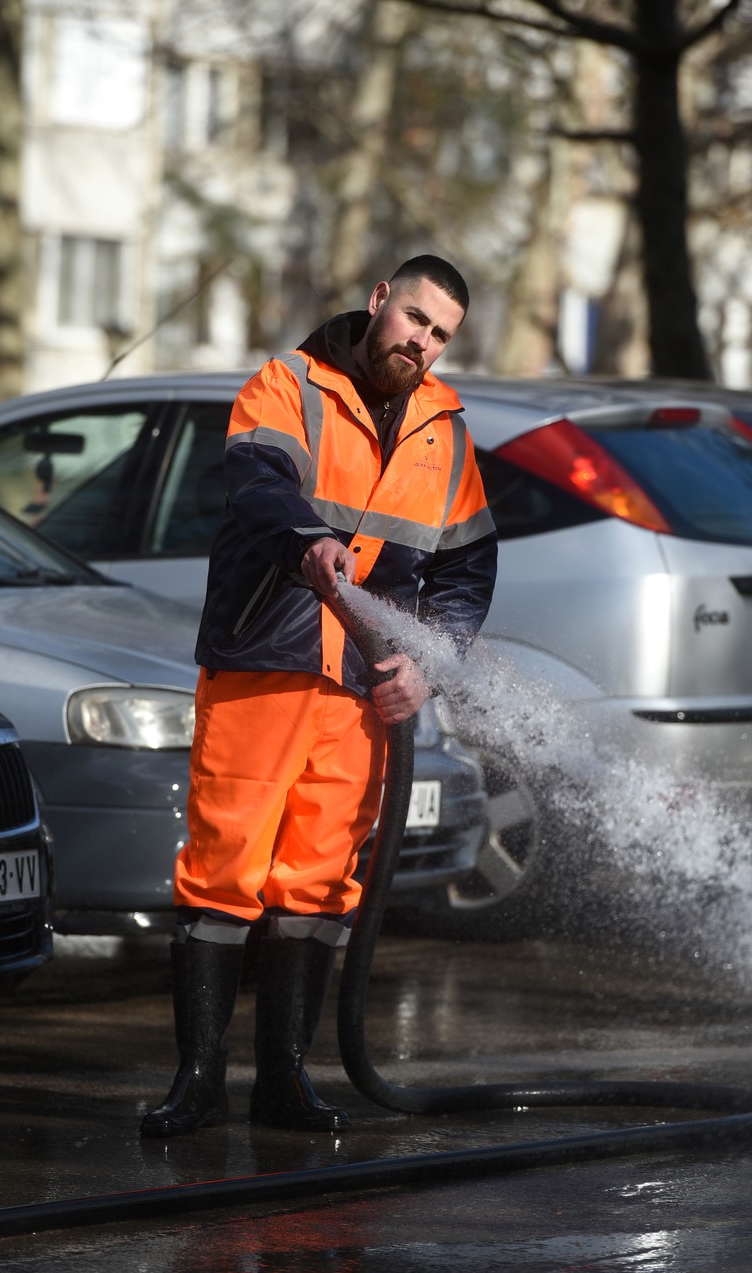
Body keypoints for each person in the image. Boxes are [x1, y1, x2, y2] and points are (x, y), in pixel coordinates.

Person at [140, 255, 497, 1139]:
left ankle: (285, 1083)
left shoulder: (444, 430)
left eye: (440, 334)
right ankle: (197, 1082)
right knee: (225, 867)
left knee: (319, 879)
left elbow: (466, 569)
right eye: (414, 318)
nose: (421, 342)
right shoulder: (289, 384)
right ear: (380, 300)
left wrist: (430, 662)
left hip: (363, 689)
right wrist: (309, 541)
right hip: (269, 660)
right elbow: (259, 484)